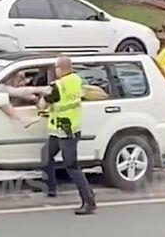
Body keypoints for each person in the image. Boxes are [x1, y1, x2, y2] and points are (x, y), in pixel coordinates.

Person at [36, 56, 96, 215]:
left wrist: (43, 96)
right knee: (46, 154)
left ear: (60, 68)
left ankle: (88, 201)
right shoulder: (76, 79)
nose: (54, 70)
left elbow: (42, 104)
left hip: (66, 132)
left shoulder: (57, 86)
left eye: (55, 67)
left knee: (72, 167)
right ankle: (51, 188)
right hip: (62, 129)